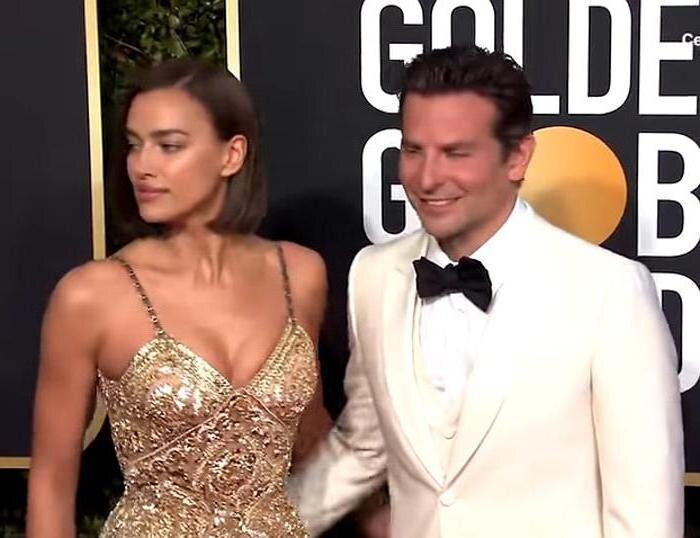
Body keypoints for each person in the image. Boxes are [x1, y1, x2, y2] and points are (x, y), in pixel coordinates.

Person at [288, 45, 685, 537]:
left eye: (456, 153)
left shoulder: (609, 291)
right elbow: (362, 446)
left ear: (517, 157)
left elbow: (646, 517)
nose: (427, 178)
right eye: (413, 150)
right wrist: (259, 528)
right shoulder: (374, 274)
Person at [26, 59, 329, 537]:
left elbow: (310, 435)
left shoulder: (301, 274)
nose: (142, 166)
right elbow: (51, 483)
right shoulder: (92, 295)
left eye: (168, 146)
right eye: (134, 145)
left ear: (232, 155)